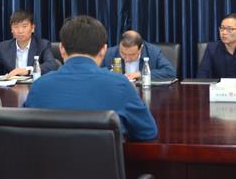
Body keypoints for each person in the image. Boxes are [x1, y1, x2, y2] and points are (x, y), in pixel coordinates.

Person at [24, 15, 158, 141]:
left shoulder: (39, 86)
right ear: (103, 50)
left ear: (62, 49)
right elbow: (148, 132)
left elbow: (25, 133)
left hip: (50, 159)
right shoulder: (120, 85)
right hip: (103, 159)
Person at [0, 10, 59, 78]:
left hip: (35, 87)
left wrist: (27, 70)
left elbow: (52, 65)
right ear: (11, 29)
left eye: (24, 26)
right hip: (13, 89)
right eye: (16, 27)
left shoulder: (42, 45)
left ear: (32, 28)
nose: (20, 31)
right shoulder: (4, 46)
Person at [101, 30, 176, 79]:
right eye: (123, 53)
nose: (127, 58)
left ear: (141, 48)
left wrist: (140, 74)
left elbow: (170, 72)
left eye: (132, 54)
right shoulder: (110, 53)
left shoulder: (153, 52)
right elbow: (97, 73)